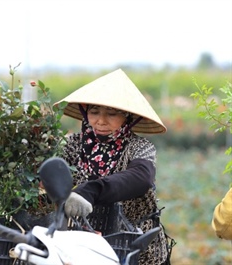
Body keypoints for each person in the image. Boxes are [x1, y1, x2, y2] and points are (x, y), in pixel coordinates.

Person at [54, 69, 170, 264]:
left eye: (112, 114)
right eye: (94, 112)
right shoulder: (73, 145)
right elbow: (50, 172)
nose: (101, 121)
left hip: (134, 246)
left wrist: (89, 190)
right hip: (82, 246)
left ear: (128, 117)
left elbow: (141, 178)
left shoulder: (140, 147)